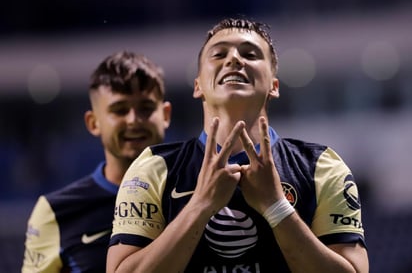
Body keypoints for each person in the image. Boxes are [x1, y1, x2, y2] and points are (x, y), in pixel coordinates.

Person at [106, 18, 369, 273]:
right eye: (219, 55)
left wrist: (276, 206)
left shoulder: (322, 166)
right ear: (198, 86)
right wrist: (200, 205)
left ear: (274, 86)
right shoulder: (152, 167)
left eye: (250, 54)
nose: (234, 59)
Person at [21, 50, 172, 273]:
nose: (134, 120)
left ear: (165, 115)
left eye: (146, 108)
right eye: (120, 110)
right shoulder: (56, 211)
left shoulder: (195, 193)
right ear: (93, 122)